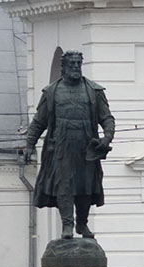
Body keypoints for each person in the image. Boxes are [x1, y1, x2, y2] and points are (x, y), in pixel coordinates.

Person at [24, 50, 115, 240]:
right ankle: (67, 224)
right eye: (71, 64)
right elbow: (39, 122)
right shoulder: (51, 92)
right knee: (64, 186)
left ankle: (82, 223)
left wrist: (106, 138)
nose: (75, 67)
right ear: (63, 67)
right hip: (60, 149)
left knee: (85, 187)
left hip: (87, 148)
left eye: (78, 64)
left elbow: (106, 118)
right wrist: (29, 144)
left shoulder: (93, 91)